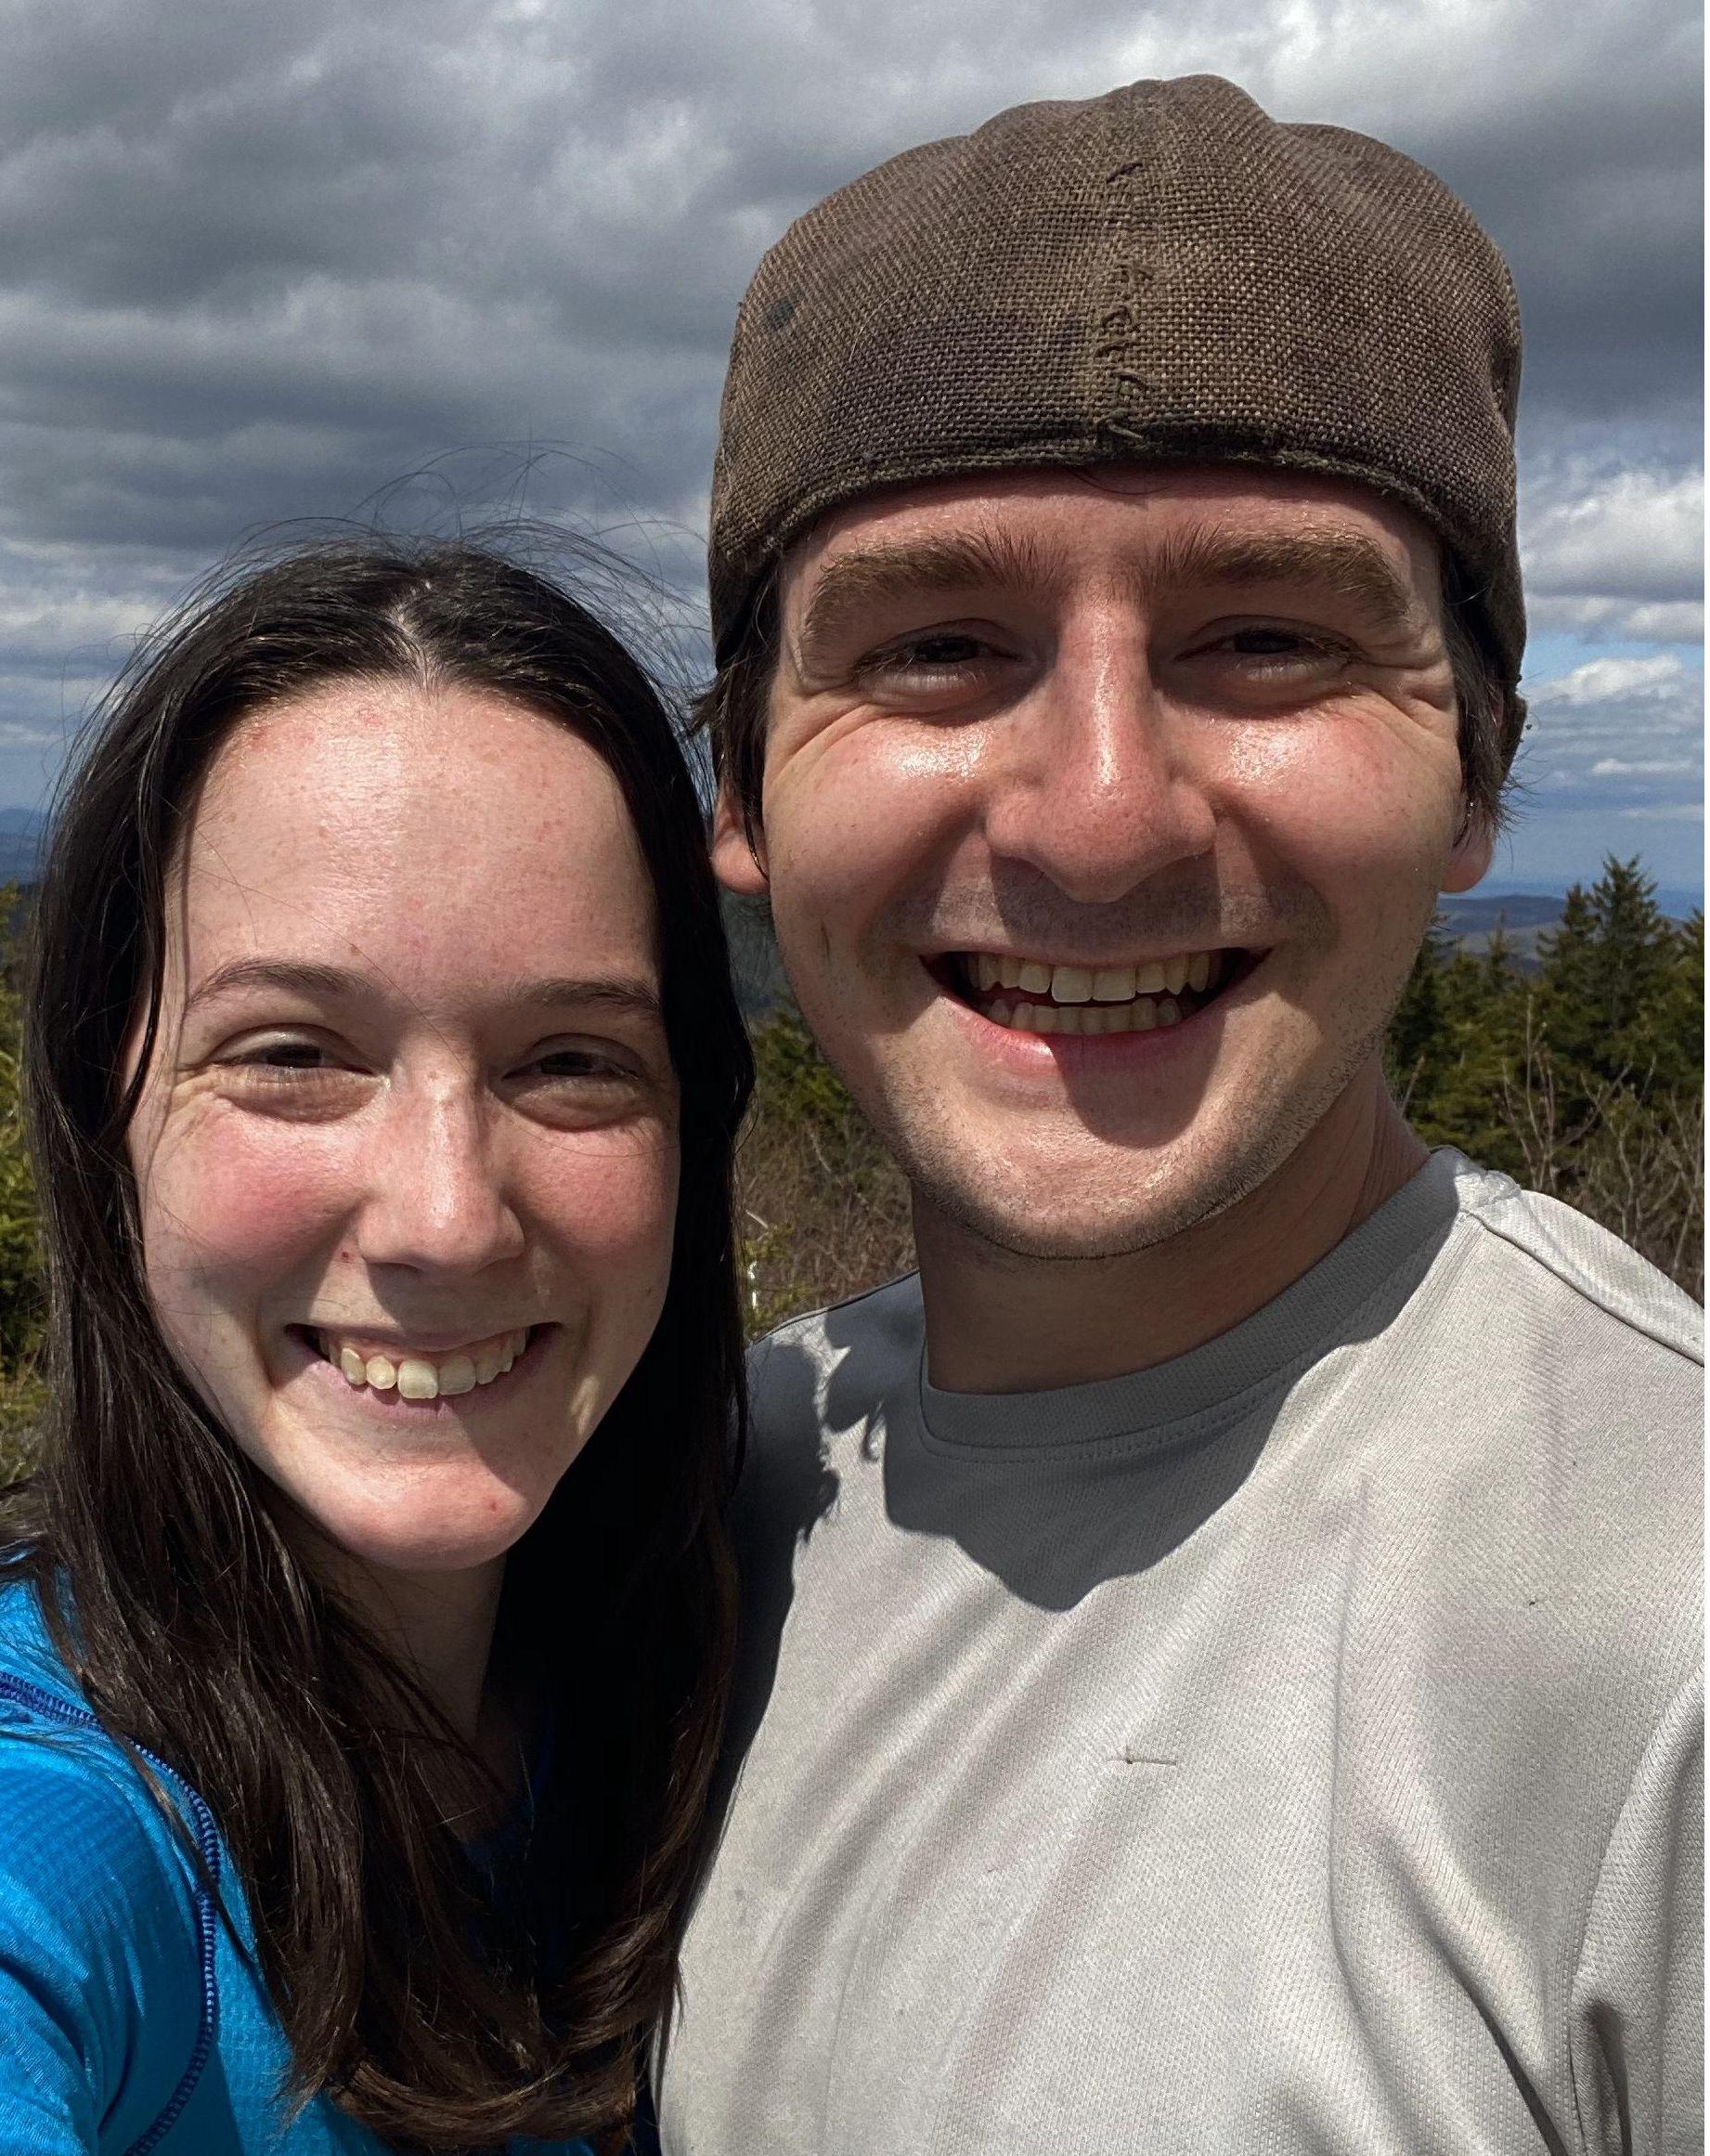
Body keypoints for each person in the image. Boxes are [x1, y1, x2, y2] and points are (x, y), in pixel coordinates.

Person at [657, 74, 1702, 2155]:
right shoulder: (675, 1501)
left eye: (1269, 640)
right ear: (749, 800)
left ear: (1475, 777)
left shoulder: (1667, 1629)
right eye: (940, 646)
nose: (1104, 815)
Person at [0, 538, 754, 2155]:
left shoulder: (692, 1643)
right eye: (291, 1054)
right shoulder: (3, 1770)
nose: (445, 1216)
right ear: (106, 1122)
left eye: (570, 1061)